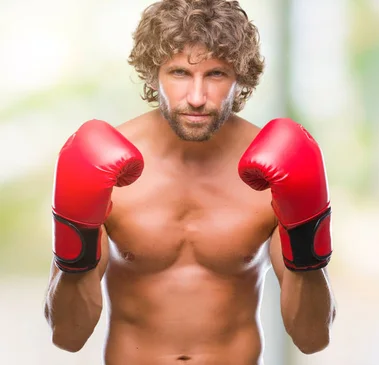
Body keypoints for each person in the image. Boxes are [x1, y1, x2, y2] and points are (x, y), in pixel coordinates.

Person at [43, 0, 336, 363]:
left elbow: (312, 337)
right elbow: (68, 336)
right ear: (154, 73)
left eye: (216, 74)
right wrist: (77, 248)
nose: (197, 98)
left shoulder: (274, 174)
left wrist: (307, 242)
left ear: (240, 78)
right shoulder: (103, 169)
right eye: (180, 72)